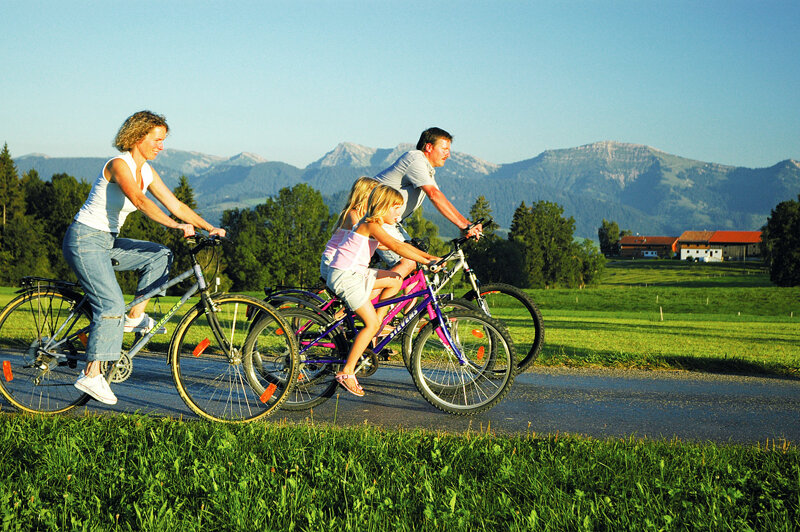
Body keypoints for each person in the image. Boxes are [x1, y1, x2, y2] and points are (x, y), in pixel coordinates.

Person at [62, 110, 226, 405]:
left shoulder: (147, 171)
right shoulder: (118, 165)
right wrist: (175, 226)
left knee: (160, 254)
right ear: (138, 137)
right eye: (157, 139)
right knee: (110, 302)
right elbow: (139, 200)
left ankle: (133, 318)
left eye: (163, 140)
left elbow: (175, 203)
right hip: (85, 240)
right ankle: (92, 374)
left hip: (107, 242)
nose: (161, 146)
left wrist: (208, 226)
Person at [325, 185, 440, 397]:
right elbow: (396, 246)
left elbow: (396, 245)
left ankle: (376, 329)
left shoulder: (374, 225)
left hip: (356, 273)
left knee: (395, 279)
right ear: (383, 206)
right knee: (370, 323)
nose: (399, 213)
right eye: (395, 208)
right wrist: (429, 258)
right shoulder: (370, 223)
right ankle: (347, 372)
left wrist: (425, 256)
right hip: (346, 276)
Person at [374, 127, 482, 278]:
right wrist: (465, 225)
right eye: (444, 149)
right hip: (376, 219)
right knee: (410, 262)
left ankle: (397, 300)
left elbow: (439, 198)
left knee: (417, 267)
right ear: (429, 147)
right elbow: (434, 195)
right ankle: (366, 301)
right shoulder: (415, 159)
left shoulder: (425, 167)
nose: (448, 154)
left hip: (389, 221)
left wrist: (465, 224)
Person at [319, 176, 378, 281]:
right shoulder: (352, 214)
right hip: (332, 261)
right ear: (364, 194)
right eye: (374, 194)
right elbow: (363, 233)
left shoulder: (364, 215)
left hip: (343, 262)